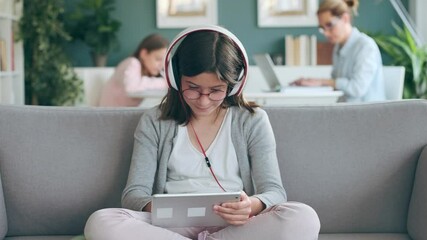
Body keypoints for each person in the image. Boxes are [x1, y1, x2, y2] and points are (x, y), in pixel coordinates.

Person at [84, 25, 320, 240]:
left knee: (303, 217)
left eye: (216, 91)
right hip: (169, 228)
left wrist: (252, 205)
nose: (204, 101)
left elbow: (275, 191)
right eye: (193, 89)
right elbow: (134, 193)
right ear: (176, 79)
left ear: (234, 85)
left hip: (235, 227)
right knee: (101, 222)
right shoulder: (154, 121)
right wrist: (163, 209)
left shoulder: (252, 120)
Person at [291, 0, 386, 102]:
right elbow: (334, 82)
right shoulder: (338, 47)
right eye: (322, 28)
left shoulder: (366, 46)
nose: (326, 33)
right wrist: (313, 82)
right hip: (344, 111)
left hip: (366, 113)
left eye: (330, 25)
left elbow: (357, 89)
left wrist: (322, 82)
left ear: (345, 18)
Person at [99, 34, 169, 107]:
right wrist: (164, 82)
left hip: (120, 112)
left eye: (164, 61)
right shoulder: (132, 63)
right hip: (110, 113)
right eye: (158, 59)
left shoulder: (143, 70)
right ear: (144, 53)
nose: (161, 65)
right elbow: (131, 88)